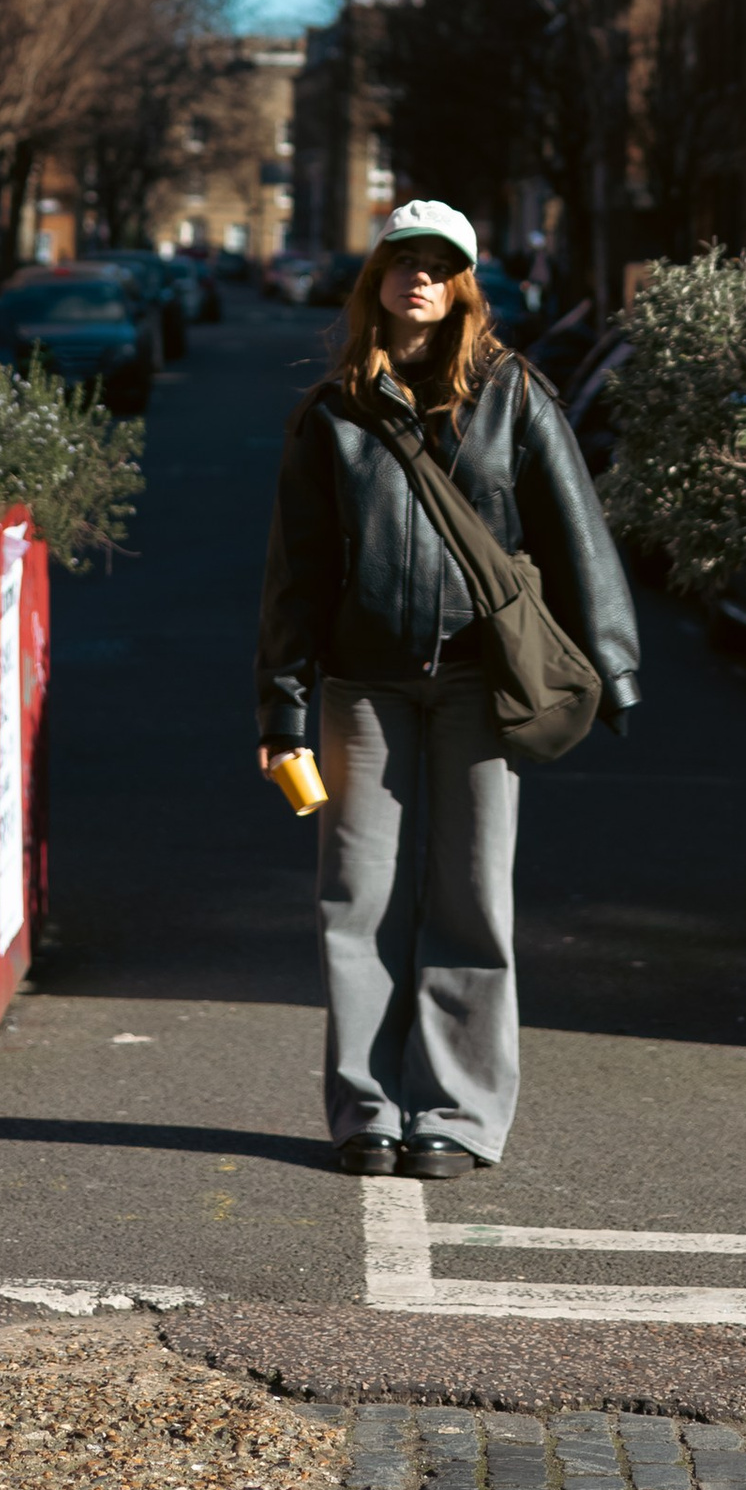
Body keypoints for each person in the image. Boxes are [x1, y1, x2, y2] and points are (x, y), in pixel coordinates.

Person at [256, 193, 639, 1179]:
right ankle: (370, 1110)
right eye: (400, 260)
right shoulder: (333, 413)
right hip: (363, 688)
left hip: (479, 683)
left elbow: (575, 534)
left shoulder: (513, 394)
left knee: (471, 897)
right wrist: (283, 709)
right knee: (359, 898)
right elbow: (295, 578)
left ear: (462, 283)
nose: (417, 276)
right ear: (374, 280)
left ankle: (457, 1115)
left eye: (437, 262)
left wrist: (616, 668)